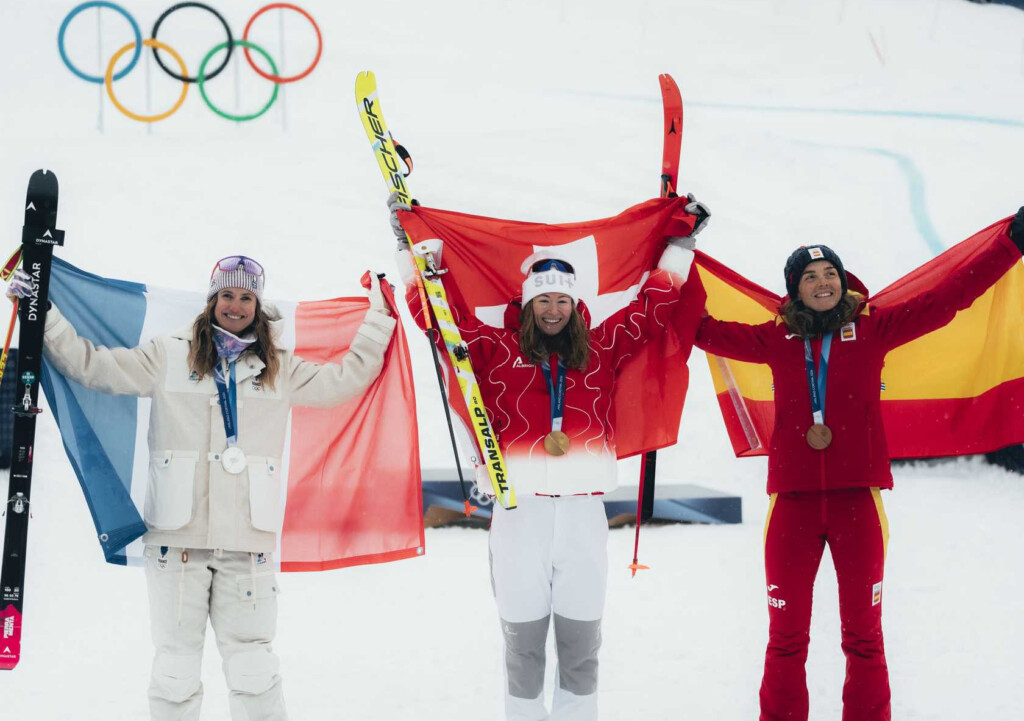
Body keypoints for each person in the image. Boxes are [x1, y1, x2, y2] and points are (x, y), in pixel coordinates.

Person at [8, 255, 396, 721]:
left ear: (257, 304)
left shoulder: (280, 369)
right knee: (175, 672)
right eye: (228, 295)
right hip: (177, 544)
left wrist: (380, 316)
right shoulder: (167, 355)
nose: (236, 305)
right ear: (212, 299)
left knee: (255, 672)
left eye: (246, 297)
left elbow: (344, 380)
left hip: (246, 544)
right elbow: (95, 367)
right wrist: (41, 312)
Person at [692, 208, 1024, 721]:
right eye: (811, 276)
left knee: (864, 638)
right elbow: (700, 328)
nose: (823, 283)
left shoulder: (874, 329)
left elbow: (949, 298)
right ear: (794, 288)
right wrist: (672, 254)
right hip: (793, 508)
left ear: (843, 283)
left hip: (857, 504)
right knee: (785, 640)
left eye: (831, 275)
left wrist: (1011, 245)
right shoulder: (775, 339)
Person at [386, 193, 708, 720]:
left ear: (574, 305)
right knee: (524, 649)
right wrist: (410, 250)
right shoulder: (493, 351)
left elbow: (653, 310)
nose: (553, 310)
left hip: (583, 514)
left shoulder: (602, 348)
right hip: (520, 515)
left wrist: (680, 246)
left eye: (561, 301)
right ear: (529, 305)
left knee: (582, 650)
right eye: (543, 301)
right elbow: (441, 321)